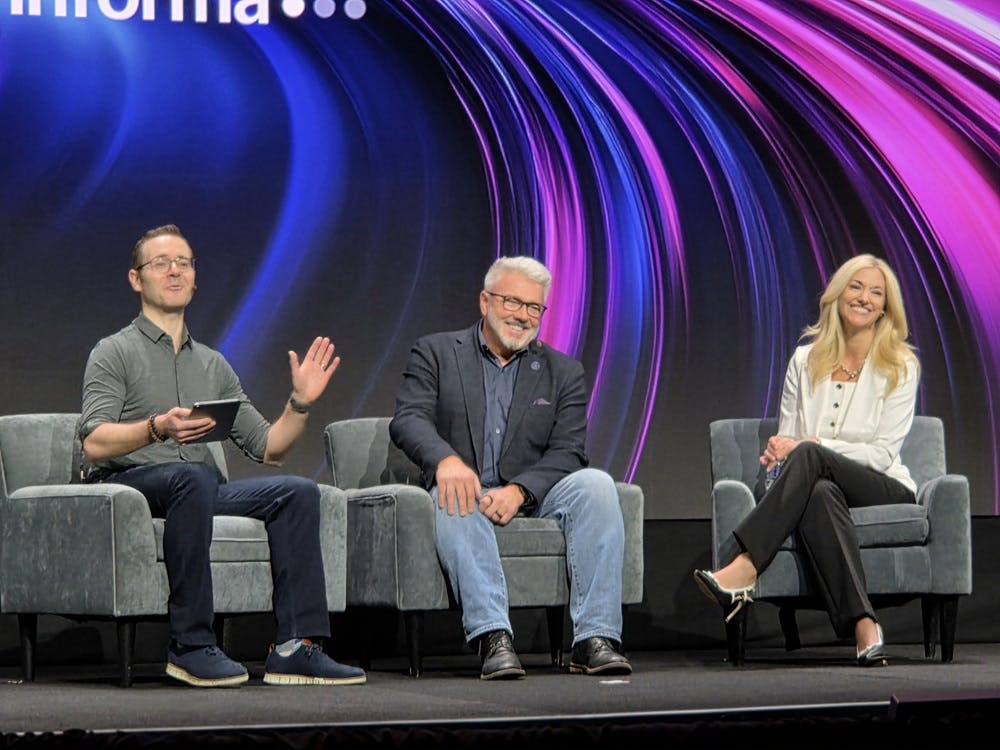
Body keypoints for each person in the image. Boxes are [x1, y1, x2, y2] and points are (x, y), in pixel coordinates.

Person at [79, 224, 366, 688]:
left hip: (197, 491)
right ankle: (190, 646)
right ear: (136, 279)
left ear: (195, 278)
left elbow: (270, 447)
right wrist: (158, 427)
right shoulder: (114, 352)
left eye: (184, 263)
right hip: (132, 488)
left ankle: (295, 647)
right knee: (189, 477)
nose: (174, 271)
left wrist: (300, 404)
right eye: (161, 263)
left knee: (295, 491)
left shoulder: (212, 364)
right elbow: (94, 441)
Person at [389, 255, 631, 680]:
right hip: (462, 487)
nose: (522, 315)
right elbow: (409, 419)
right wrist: (447, 461)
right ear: (485, 302)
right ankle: (493, 636)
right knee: (456, 493)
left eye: (534, 307)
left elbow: (570, 451)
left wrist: (519, 490)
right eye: (512, 302)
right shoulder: (437, 352)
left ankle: (594, 639)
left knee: (596, 484)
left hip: (531, 495)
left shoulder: (563, 372)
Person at [694, 253, 920, 667]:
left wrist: (812, 444)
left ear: (886, 308)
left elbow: (883, 452)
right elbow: (789, 435)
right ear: (837, 294)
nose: (864, 298)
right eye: (856, 287)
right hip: (820, 484)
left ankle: (745, 564)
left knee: (814, 456)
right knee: (818, 491)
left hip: (883, 485)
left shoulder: (900, 365)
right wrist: (783, 453)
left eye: (876, 293)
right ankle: (863, 625)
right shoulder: (805, 359)